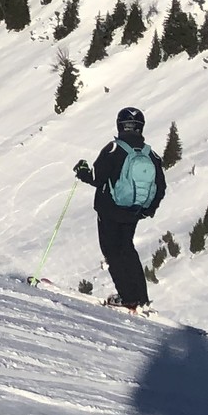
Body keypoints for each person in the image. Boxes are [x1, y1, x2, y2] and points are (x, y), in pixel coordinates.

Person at [76, 105, 165, 311]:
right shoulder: (151, 154)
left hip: (110, 210)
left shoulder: (114, 149)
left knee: (112, 251)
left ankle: (128, 298)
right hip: (134, 211)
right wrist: (147, 210)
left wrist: (81, 171)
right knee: (127, 249)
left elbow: (97, 178)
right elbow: (160, 187)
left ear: (120, 125)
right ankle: (141, 298)